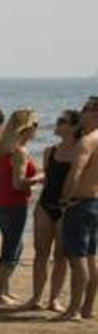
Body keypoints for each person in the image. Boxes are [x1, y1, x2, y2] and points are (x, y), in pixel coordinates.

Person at [26, 110, 80, 311]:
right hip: (45, 204)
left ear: (74, 127)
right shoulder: (50, 151)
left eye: (62, 121)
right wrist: (34, 180)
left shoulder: (80, 152)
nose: (56, 124)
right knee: (41, 252)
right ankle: (36, 298)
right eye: (57, 120)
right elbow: (48, 179)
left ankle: (54, 299)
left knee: (61, 255)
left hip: (67, 208)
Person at [0, 109, 43, 307]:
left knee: (14, 246)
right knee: (12, 248)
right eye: (35, 126)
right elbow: (18, 183)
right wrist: (40, 177)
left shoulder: (4, 148)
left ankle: (3, 290)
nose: (37, 130)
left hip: (0, 204)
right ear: (27, 128)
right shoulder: (20, 151)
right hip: (13, 205)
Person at [57, 97, 98, 320]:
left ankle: (74, 309)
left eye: (86, 110)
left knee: (78, 257)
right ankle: (88, 308)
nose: (81, 114)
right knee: (90, 257)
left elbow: (76, 173)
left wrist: (65, 199)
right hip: (94, 202)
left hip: (81, 203)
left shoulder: (87, 141)